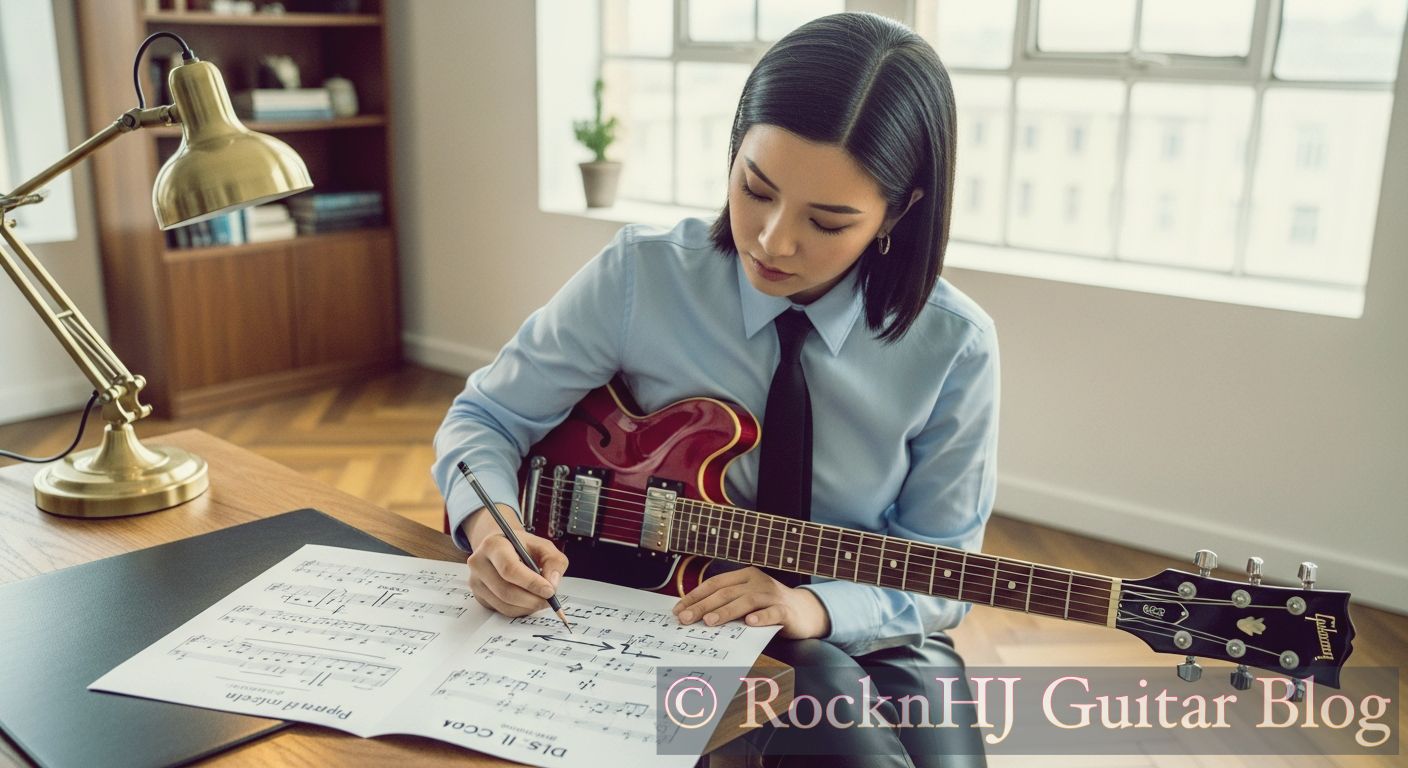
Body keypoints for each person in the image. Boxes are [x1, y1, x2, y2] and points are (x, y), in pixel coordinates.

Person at [433, 12, 995, 766]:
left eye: (827, 222)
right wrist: (490, 527)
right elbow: (488, 417)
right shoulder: (642, 274)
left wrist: (812, 605)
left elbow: (942, 564)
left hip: (865, 614)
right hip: (673, 605)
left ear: (900, 211)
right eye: (755, 189)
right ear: (734, 150)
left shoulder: (954, 345)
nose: (772, 241)